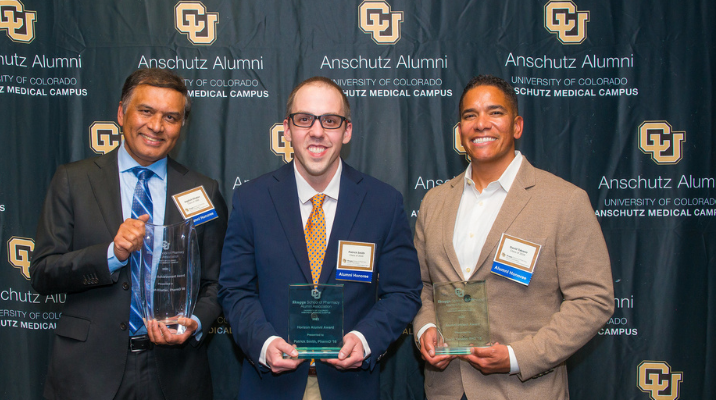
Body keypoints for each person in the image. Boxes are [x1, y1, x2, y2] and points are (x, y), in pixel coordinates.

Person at [218, 76, 422, 400]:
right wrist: (265, 344)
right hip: (270, 386)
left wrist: (365, 339)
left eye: (330, 120)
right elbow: (234, 289)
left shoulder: (383, 202)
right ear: (287, 129)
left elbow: (404, 292)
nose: (317, 132)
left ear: (347, 130)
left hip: (350, 387)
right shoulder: (251, 200)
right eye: (304, 119)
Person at [412, 75, 614, 400]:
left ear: (517, 126)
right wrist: (425, 328)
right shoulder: (434, 202)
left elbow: (593, 300)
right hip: (446, 389)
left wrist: (519, 357)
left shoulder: (564, 201)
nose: (481, 124)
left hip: (525, 390)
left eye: (495, 113)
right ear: (460, 130)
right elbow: (420, 285)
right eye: (469, 116)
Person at [30, 68, 227, 400]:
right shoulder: (73, 181)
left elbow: (217, 282)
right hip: (89, 371)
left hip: (175, 373)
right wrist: (111, 254)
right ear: (122, 113)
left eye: (171, 117)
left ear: (181, 126)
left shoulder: (203, 190)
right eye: (146, 111)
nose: (156, 126)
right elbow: (43, 272)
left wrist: (195, 320)